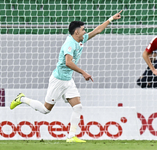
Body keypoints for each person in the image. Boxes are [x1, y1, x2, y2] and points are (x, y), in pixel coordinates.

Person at [10, 10, 122, 142]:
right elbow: (68, 62)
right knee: (46, 110)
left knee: (78, 107)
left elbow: (97, 31)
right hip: (58, 80)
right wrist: (84, 73)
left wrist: (111, 19)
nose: (85, 32)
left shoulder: (80, 39)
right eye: (83, 30)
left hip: (68, 80)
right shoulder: (69, 44)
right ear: (76, 32)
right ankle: (21, 99)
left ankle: (71, 137)